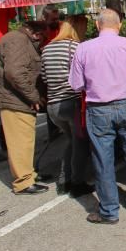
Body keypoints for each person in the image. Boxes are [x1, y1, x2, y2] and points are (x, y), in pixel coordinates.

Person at [69, 9, 126, 224]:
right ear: (119, 25)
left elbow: (76, 84)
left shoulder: (83, 48)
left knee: (102, 159)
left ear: (97, 26)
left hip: (98, 108)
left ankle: (109, 210)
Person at [0, 21, 48, 194]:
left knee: (25, 142)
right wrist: (33, 96)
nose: (42, 41)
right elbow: (15, 73)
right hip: (14, 101)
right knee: (21, 143)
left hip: (17, 100)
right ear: (35, 33)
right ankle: (24, 183)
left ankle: (28, 174)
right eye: (42, 36)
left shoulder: (17, 39)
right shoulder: (17, 41)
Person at [41, 21, 92, 197]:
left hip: (53, 105)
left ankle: (66, 179)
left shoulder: (47, 48)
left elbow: (45, 79)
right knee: (79, 144)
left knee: (71, 141)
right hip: (70, 102)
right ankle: (74, 181)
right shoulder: (75, 47)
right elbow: (83, 76)